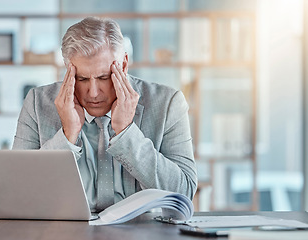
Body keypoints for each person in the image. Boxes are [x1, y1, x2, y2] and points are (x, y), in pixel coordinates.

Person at [13, 16, 197, 212]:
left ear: (124, 65)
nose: (93, 93)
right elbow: (17, 193)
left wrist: (127, 134)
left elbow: (183, 194)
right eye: (82, 78)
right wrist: (67, 137)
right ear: (68, 71)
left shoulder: (168, 104)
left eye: (103, 77)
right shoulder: (36, 103)